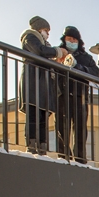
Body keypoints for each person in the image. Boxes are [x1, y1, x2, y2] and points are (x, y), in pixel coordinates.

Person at [19, 16, 67, 154]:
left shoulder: (44, 44)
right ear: (39, 28)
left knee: (42, 117)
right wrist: (58, 52)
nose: (48, 33)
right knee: (34, 114)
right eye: (46, 30)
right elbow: (39, 52)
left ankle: (42, 146)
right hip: (34, 82)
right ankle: (33, 144)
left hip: (43, 86)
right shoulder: (30, 37)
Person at [56, 26, 99, 163]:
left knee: (80, 128)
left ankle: (80, 158)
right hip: (61, 95)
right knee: (62, 128)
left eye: (74, 39)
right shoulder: (58, 53)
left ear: (78, 41)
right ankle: (63, 157)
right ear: (64, 40)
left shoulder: (85, 58)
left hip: (80, 96)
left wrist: (78, 67)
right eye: (69, 39)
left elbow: (96, 73)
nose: (72, 41)